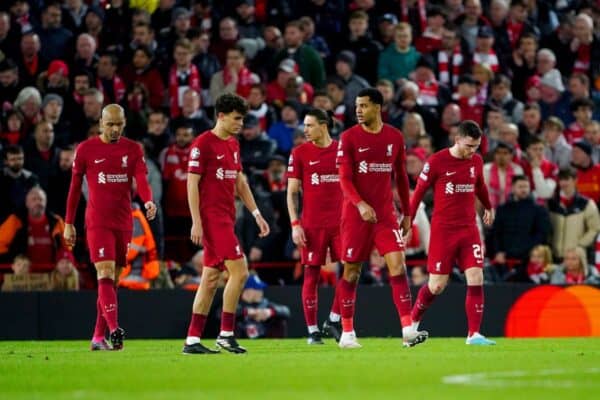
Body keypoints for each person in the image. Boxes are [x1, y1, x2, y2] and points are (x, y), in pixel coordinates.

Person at [335, 88, 428, 349]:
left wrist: (407, 214)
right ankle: (347, 332)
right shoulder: (349, 137)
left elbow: (400, 177)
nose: (359, 110)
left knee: (398, 265)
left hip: (386, 216)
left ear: (378, 107)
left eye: (364, 105)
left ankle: (408, 329)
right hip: (355, 216)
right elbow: (344, 179)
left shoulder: (394, 137)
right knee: (352, 271)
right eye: (357, 106)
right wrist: (360, 204)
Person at [64, 104, 157, 351]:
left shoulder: (133, 149)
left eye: (118, 124)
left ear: (124, 123)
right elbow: (74, 189)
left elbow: (142, 179)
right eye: (110, 124)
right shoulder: (85, 149)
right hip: (97, 221)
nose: (114, 129)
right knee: (104, 273)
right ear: (101, 123)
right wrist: (68, 223)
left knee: (112, 281)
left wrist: (148, 200)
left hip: (123, 222)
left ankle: (97, 336)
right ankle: (115, 329)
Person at [183, 93, 270, 355]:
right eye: (236, 118)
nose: (241, 123)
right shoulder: (203, 144)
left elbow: (240, 183)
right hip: (212, 220)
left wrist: (256, 214)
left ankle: (192, 341)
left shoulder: (232, 144)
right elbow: (192, 183)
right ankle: (226, 334)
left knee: (210, 279)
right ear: (221, 116)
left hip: (227, 218)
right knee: (240, 272)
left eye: (242, 119)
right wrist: (196, 222)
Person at [409, 120, 496, 345]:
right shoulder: (437, 161)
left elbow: (480, 186)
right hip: (443, 231)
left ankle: (473, 334)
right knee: (437, 285)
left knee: (476, 276)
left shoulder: (476, 161)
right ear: (457, 140)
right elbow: (419, 190)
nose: (472, 151)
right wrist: (408, 218)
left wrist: (488, 206)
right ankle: (412, 323)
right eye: (468, 146)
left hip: (469, 229)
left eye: (476, 147)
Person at [286, 108, 343, 345]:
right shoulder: (299, 153)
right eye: (305, 126)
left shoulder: (342, 150)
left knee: (352, 270)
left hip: (342, 224)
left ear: (324, 125)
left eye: (309, 126)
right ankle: (312, 330)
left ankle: (333, 318)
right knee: (311, 274)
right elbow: (291, 193)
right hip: (312, 224)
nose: (305, 130)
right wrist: (295, 224)